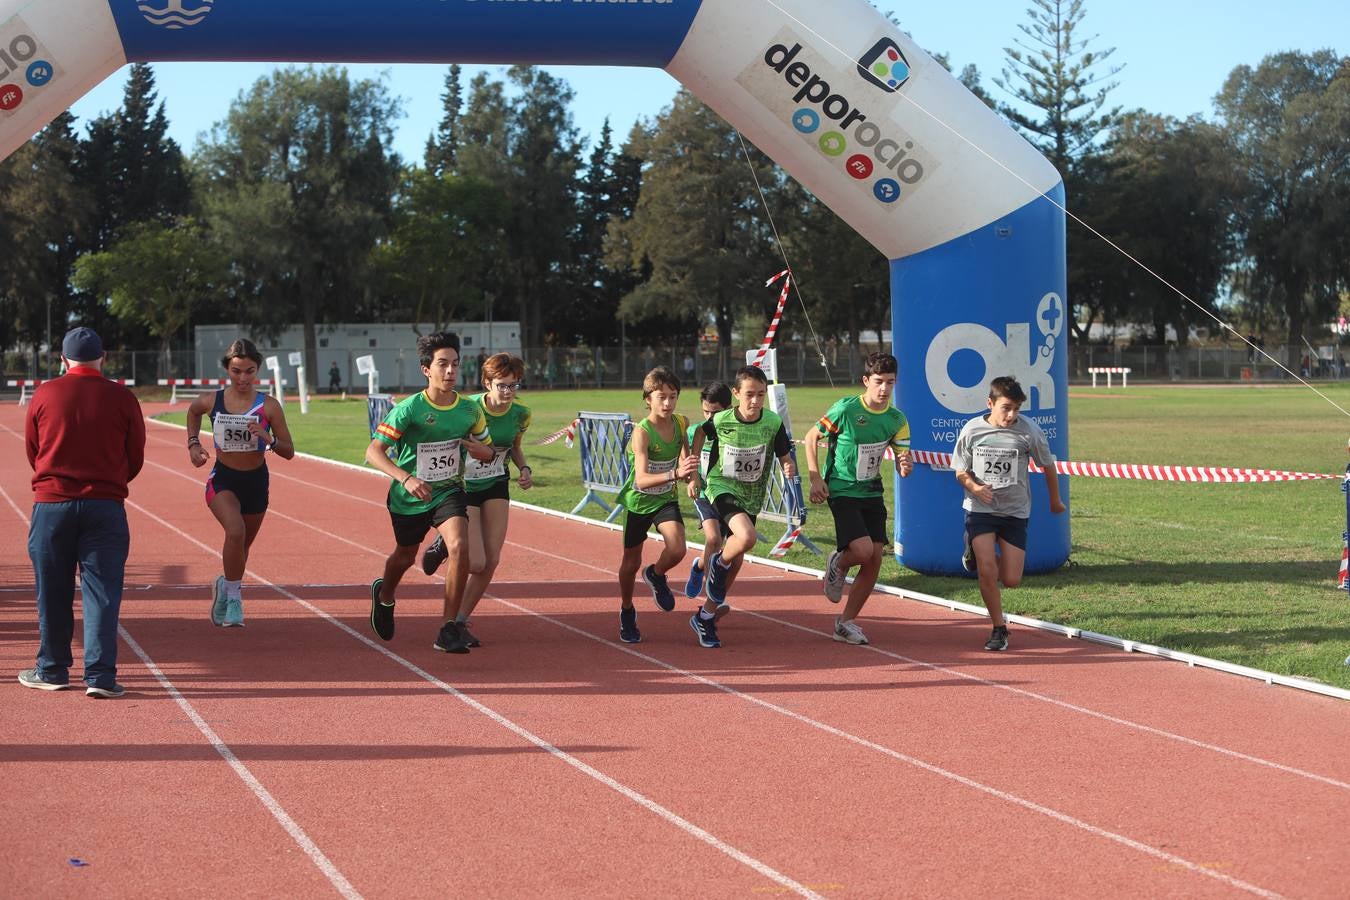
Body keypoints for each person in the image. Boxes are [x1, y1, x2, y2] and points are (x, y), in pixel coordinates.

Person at [19, 327, 145, 698]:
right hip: (105, 506)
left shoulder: (44, 394)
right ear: (102, 357)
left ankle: (53, 669)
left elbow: (33, 449)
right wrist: (110, 481)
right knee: (102, 591)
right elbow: (134, 455)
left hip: (52, 504)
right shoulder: (122, 397)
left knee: (52, 590)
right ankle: (101, 676)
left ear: (62, 359)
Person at [365, 332, 494, 654]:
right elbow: (374, 451)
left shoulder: (469, 411)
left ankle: (449, 627)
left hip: (448, 489)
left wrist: (481, 451)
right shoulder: (409, 409)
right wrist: (405, 478)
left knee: (459, 545)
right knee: (404, 557)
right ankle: (384, 596)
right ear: (426, 369)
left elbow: (488, 450)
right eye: (442, 364)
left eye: (455, 364)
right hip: (410, 497)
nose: (450, 371)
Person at [419, 353, 534, 647]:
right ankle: (446, 541)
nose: (507, 392)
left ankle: (457, 622)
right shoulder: (467, 409)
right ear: (487, 383)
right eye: (501, 385)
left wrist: (524, 468)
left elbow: (514, 447)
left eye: (513, 385)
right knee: (476, 560)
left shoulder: (522, 414)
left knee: (491, 561)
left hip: (496, 484)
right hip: (466, 486)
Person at [804, 352, 913, 646]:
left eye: (890, 382)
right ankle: (838, 563)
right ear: (866, 380)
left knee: (875, 558)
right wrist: (815, 477)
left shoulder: (897, 419)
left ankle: (846, 622)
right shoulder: (846, 409)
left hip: (871, 491)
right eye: (878, 382)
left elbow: (904, 455)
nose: (884, 389)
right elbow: (812, 436)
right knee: (863, 550)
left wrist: (905, 464)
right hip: (841, 488)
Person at [186, 338, 296, 627]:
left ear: (257, 370)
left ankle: (224, 584)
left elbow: (289, 451)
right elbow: (193, 411)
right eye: (236, 371)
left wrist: (268, 437)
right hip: (223, 479)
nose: (243, 378)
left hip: (256, 482)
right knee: (234, 532)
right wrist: (193, 444)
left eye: (249, 371)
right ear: (227, 370)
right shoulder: (214, 400)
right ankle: (235, 599)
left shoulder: (269, 406)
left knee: (242, 548)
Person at [952, 375, 1066, 651]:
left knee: (1012, 580)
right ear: (990, 403)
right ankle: (998, 628)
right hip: (980, 508)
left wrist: (1055, 500)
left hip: (1015, 510)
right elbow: (960, 472)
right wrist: (975, 488)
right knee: (987, 570)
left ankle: (979, 554)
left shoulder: (1029, 431)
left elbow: (1048, 465)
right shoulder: (972, 431)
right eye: (1006, 408)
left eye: (1016, 408)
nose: (1012, 414)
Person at [688, 365, 795, 648]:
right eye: (749, 395)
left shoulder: (772, 422)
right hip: (721, 486)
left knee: (737, 558)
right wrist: (695, 467)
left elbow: (784, 452)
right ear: (736, 394)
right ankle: (716, 562)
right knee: (745, 538)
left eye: (761, 395)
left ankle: (706, 616)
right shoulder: (721, 419)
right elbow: (699, 432)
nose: (755, 401)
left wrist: (788, 466)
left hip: (752, 494)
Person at [613, 367, 698, 643]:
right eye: (661, 397)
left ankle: (655, 573)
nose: (668, 403)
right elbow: (640, 479)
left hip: (665, 499)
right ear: (648, 398)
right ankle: (627, 609)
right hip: (639, 501)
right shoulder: (642, 432)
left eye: (673, 397)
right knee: (630, 561)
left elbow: (685, 451)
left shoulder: (681, 423)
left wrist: (691, 476)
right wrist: (674, 474)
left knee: (678, 548)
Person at [683, 382, 732, 603]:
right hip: (704, 494)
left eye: (716, 412)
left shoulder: (734, 431)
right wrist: (690, 479)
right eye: (706, 411)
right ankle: (707, 585)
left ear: (729, 408)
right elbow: (685, 460)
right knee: (713, 540)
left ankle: (700, 566)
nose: (710, 417)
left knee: (727, 548)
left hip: (730, 494)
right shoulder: (696, 431)